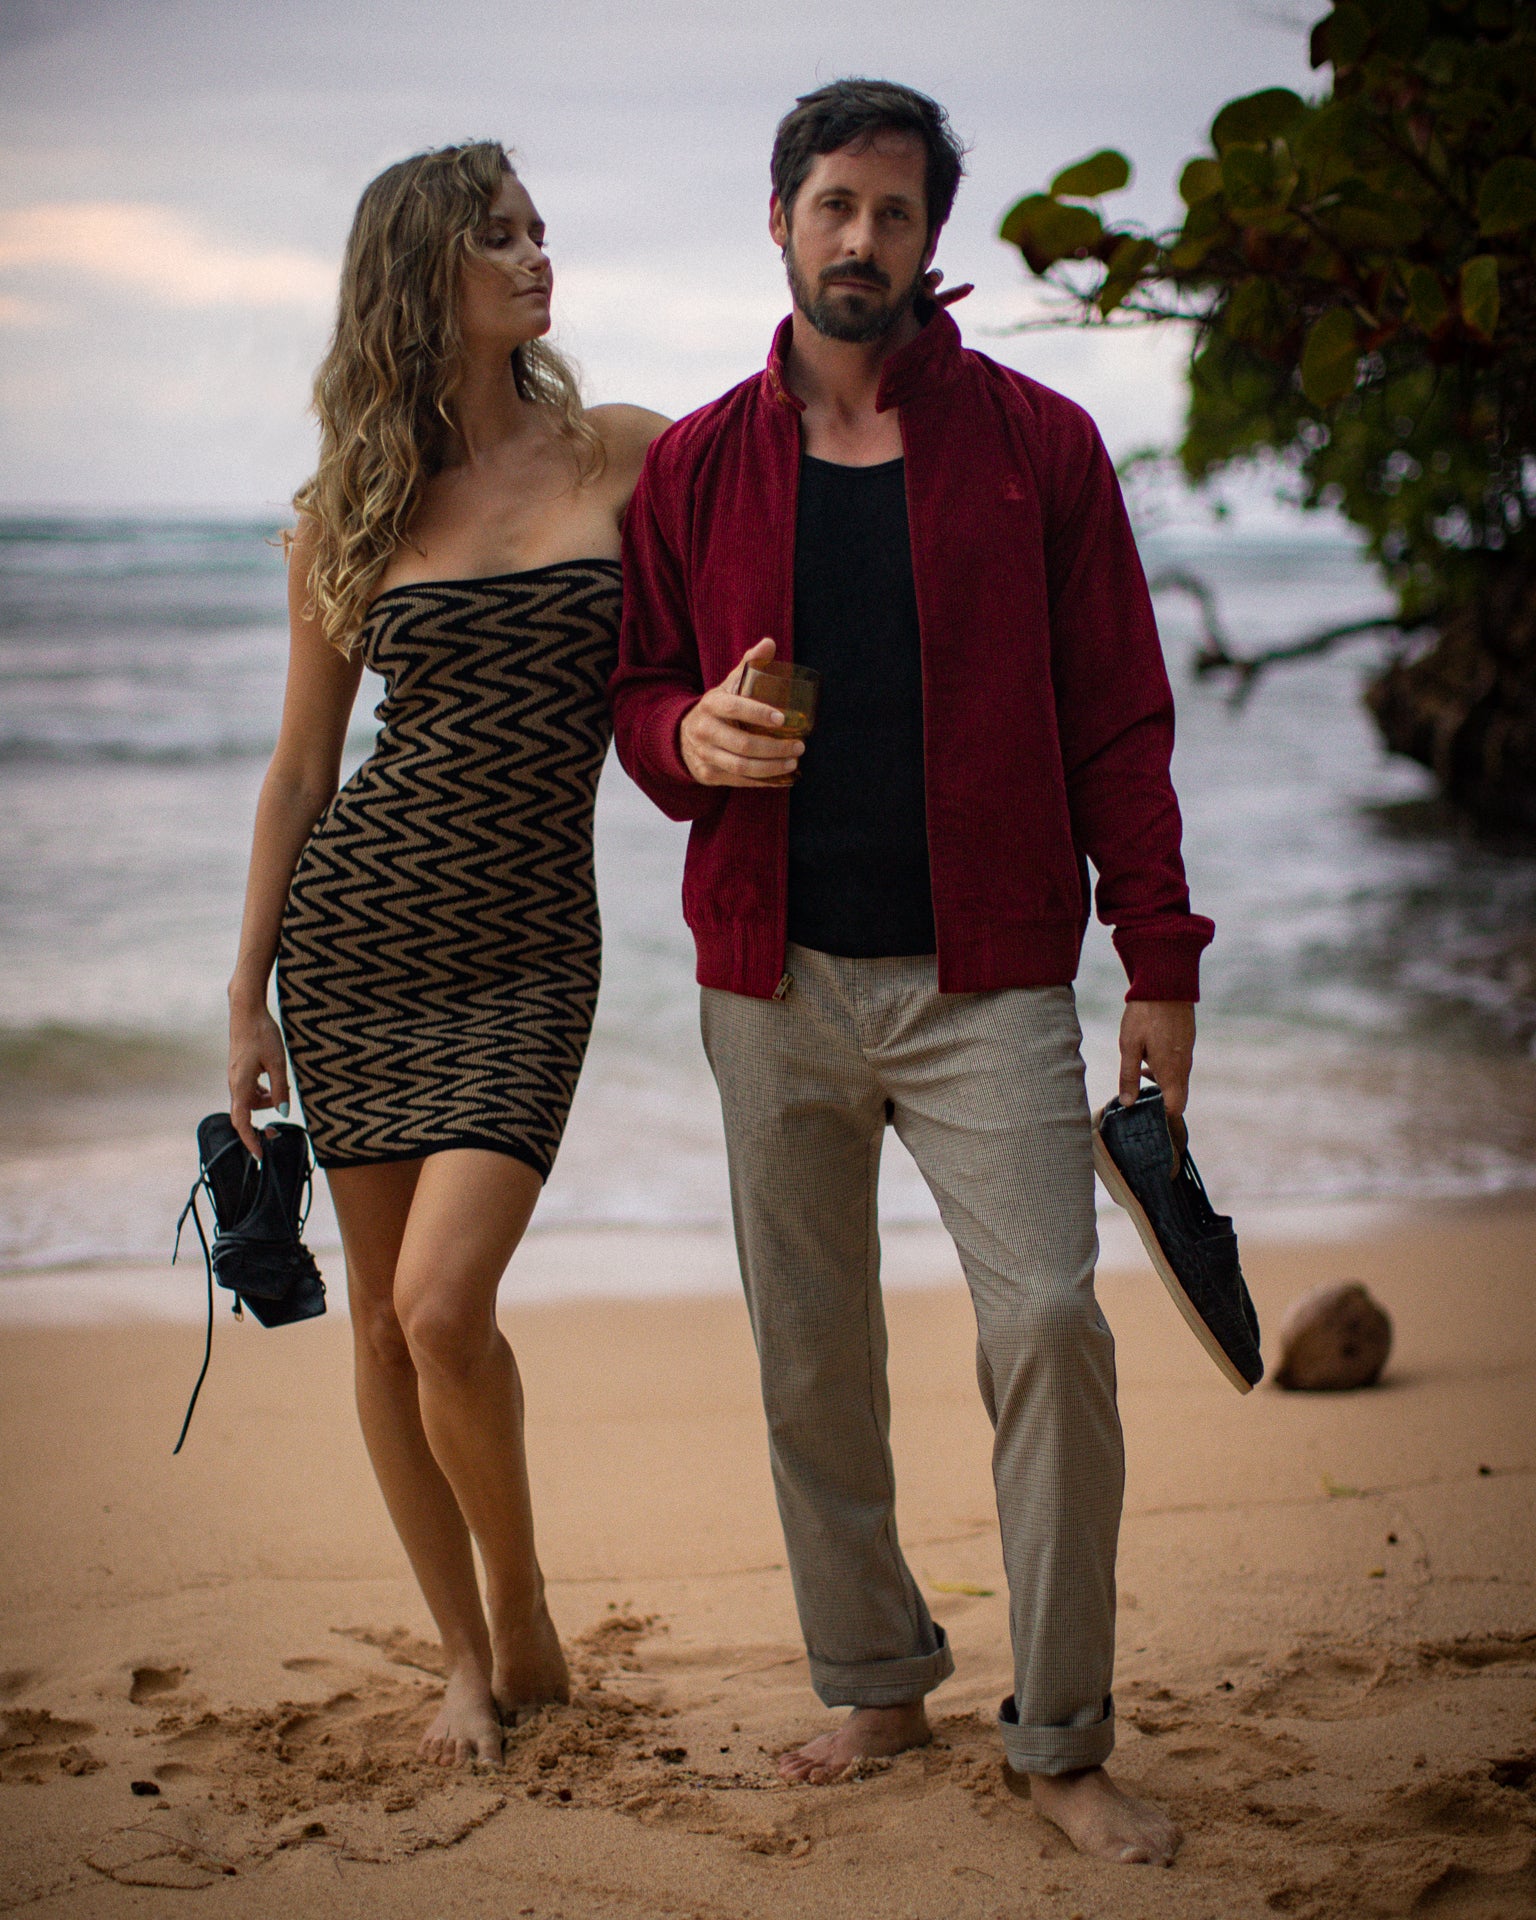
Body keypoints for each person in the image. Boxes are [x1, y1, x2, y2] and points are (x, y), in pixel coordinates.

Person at [611, 79, 1212, 1865]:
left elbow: (1120, 716)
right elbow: (637, 692)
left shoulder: (1040, 445)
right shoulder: (698, 463)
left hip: (991, 980)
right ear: (779, 222)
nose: (859, 237)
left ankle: (1063, 1733)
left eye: (891, 209)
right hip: (766, 976)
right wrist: (684, 741)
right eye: (831, 205)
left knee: (1047, 1321)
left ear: (932, 238)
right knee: (812, 1353)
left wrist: (1157, 953)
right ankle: (875, 1676)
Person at [226, 140, 667, 1767]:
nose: (536, 252)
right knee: (383, 1326)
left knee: (443, 1302)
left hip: (533, 945)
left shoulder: (619, 455)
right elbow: (300, 769)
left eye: (540, 225)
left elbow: (776, 522)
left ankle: (531, 1606)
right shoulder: (350, 508)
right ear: (426, 278)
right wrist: (242, 992)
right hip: (357, 945)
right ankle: (469, 1660)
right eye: (499, 236)